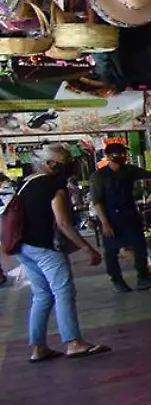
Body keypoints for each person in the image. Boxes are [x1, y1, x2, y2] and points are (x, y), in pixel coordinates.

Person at [14, 145, 106, 361]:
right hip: (46, 247)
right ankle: (74, 343)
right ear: (48, 164)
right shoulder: (54, 186)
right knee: (63, 292)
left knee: (42, 295)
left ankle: (38, 348)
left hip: (24, 247)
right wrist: (87, 248)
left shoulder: (26, 183)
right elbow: (63, 222)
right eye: (63, 164)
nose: (67, 168)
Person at [90, 140, 151, 292]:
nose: (122, 157)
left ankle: (143, 278)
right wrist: (105, 223)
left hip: (129, 214)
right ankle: (117, 280)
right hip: (110, 216)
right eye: (118, 154)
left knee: (139, 246)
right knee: (112, 251)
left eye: (124, 154)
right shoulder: (99, 176)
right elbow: (97, 201)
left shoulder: (129, 170)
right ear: (109, 157)